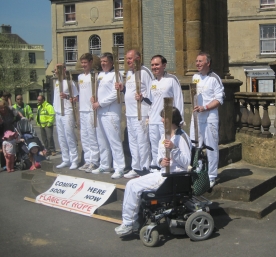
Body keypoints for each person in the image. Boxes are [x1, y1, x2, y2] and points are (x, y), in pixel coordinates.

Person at [115, 107, 192, 236]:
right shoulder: (165, 135)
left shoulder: (181, 137)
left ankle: (129, 223)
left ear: (171, 120)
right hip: (162, 173)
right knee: (132, 184)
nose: (161, 120)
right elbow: (158, 158)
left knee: (132, 186)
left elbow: (186, 163)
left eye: (164, 117)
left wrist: (174, 149)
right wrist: (161, 161)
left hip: (173, 177)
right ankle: (131, 221)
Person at [136, 55, 184, 172]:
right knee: (155, 146)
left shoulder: (172, 80)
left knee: (166, 145)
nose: (154, 67)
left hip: (167, 121)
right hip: (153, 120)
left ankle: (169, 168)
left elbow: (179, 99)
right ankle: (156, 167)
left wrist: (179, 120)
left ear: (164, 65)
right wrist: (142, 99)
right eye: (152, 65)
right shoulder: (152, 82)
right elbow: (151, 102)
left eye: (157, 64)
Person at [115, 49, 154, 179]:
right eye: (127, 59)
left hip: (141, 112)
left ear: (138, 58)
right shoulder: (130, 73)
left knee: (142, 141)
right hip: (130, 113)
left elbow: (152, 92)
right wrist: (123, 89)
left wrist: (143, 97)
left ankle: (145, 167)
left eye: (130, 58)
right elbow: (130, 91)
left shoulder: (145, 72)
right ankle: (135, 167)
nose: (128, 61)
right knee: (132, 141)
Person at [190, 52, 224, 188]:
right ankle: (198, 173)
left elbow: (219, 99)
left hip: (210, 117)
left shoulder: (215, 78)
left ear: (208, 63)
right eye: (196, 61)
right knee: (195, 145)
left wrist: (205, 107)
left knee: (211, 147)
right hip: (197, 117)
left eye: (200, 61)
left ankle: (211, 176)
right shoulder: (195, 77)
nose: (197, 63)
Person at [90, 52, 125, 179]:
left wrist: (101, 103)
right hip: (100, 111)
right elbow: (100, 91)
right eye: (101, 61)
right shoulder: (100, 75)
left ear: (111, 62)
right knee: (102, 140)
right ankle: (105, 165)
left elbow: (115, 94)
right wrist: (94, 98)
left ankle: (119, 167)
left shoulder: (116, 75)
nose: (103, 63)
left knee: (114, 140)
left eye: (105, 61)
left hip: (111, 112)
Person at [77, 53, 100, 172]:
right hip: (82, 109)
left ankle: (94, 161)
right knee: (84, 137)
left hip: (91, 110)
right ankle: (87, 160)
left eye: (86, 62)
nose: (83, 65)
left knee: (92, 136)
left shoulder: (95, 76)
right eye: (82, 63)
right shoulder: (80, 77)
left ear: (91, 62)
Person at [54, 64, 79, 170]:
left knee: (69, 136)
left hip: (67, 112)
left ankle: (74, 160)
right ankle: (66, 159)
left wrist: (67, 96)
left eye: (57, 69)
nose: (55, 72)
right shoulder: (56, 82)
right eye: (55, 70)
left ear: (64, 70)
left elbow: (76, 98)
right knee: (61, 137)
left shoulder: (70, 82)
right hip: (58, 112)